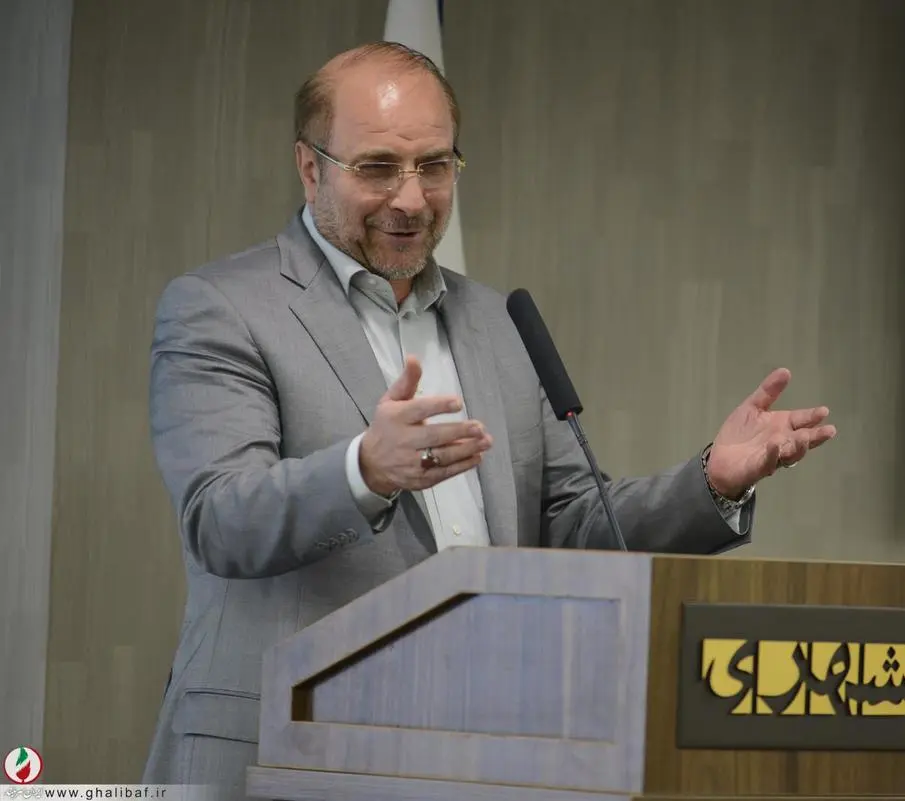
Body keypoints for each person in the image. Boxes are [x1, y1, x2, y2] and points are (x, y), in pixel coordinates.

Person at [140, 42, 836, 800]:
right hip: (288, 747)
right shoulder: (222, 307)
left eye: (434, 166)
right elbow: (219, 519)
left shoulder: (499, 323)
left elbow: (574, 528)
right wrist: (364, 472)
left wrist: (710, 482)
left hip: (474, 750)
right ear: (311, 169)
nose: (412, 200)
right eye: (378, 168)